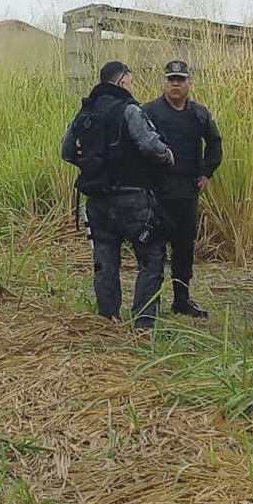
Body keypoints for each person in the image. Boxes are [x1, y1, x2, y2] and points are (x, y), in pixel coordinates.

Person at [62, 61, 174, 330]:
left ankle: (108, 322)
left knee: (105, 259)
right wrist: (168, 156)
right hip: (132, 198)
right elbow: (150, 146)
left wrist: (92, 166)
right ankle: (143, 326)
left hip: (97, 201)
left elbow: (66, 151)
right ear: (123, 82)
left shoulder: (84, 112)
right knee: (151, 256)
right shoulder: (129, 110)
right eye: (131, 82)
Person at [142, 60, 221, 319]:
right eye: (171, 79)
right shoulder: (149, 111)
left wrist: (206, 173)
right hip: (156, 192)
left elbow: (215, 143)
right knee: (153, 249)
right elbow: (136, 145)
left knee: (185, 247)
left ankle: (181, 300)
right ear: (164, 82)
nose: (175, 83)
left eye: (180, 79)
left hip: (187, 191)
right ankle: (148, 304)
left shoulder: (199, 113)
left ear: (189, 83)